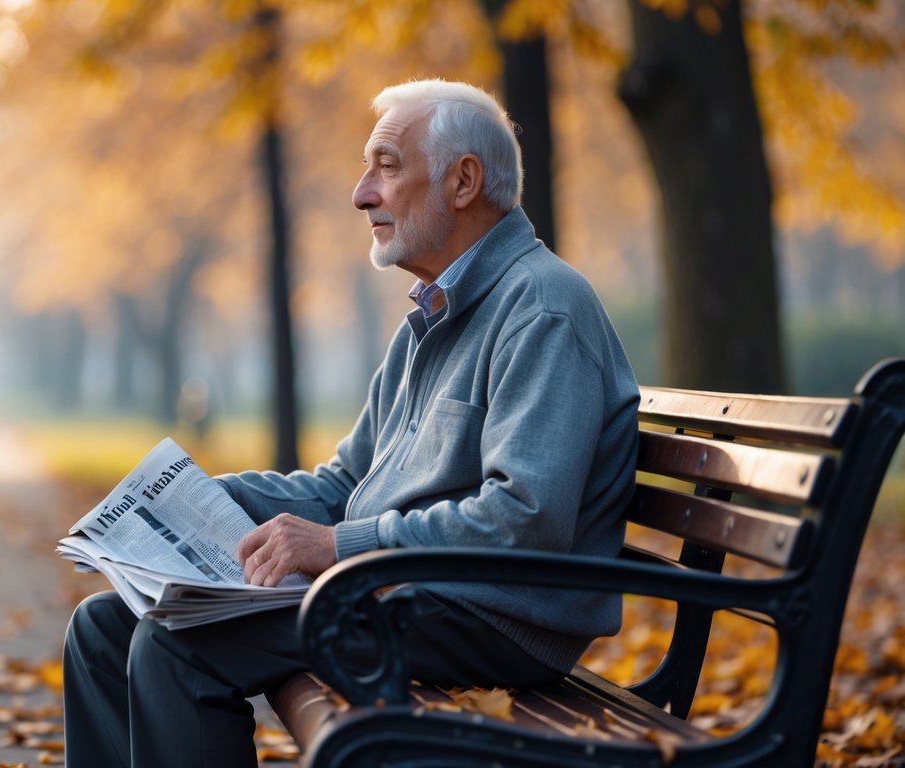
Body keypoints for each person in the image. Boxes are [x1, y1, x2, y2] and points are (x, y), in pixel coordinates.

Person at [61, 79, 639, 768]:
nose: (361, 193)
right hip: (410, 590)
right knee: (100, 626)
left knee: (178, 644)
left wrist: (339, 546)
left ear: (463, 181)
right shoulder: (433, 317)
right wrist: (201, 501)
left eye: (386, 166)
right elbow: (346, 482)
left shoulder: (541, 308)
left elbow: (525, 518)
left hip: (490, 616)